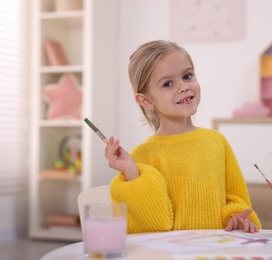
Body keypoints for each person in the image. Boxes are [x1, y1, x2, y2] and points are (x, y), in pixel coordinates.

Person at [104, 40, 261, 234]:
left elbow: (236, 199)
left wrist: (235, 215)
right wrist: (131, 172)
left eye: (187, 76)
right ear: (145, 100)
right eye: (168, 83)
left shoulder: (216, 142)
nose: (183, 87)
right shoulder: (142, 155)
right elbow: (148, 226)